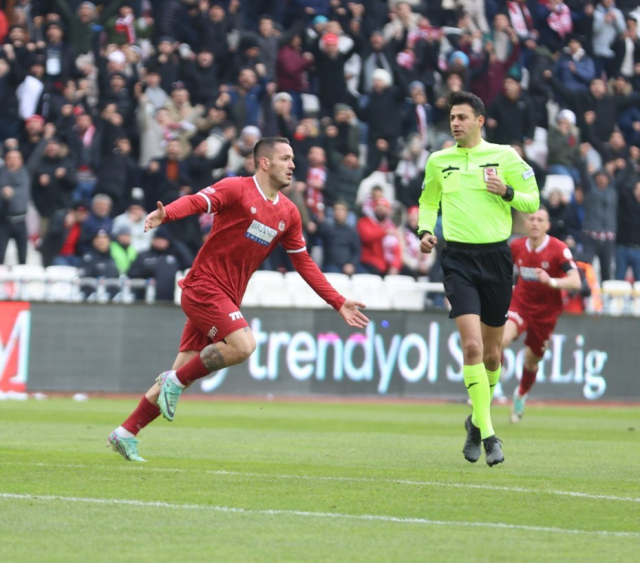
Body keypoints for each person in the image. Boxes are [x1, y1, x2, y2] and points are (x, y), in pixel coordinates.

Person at [108, 137, 369, 462]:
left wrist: (337, 300)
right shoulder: (236, 189)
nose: (293, 165)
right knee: (243, 345)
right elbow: (196, 201)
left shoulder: (288, 212)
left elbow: (303, 262)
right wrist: (167, 215)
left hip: (226, 296)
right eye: (286, 159)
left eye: (292, 160)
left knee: (183, 370)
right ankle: (172, 382)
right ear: (264, 162)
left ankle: (126, 431)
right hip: (204, 287)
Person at [418, 90, 539, 466]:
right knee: (471, 348)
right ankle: (489, 435)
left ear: (479, 121)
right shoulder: (439, 160)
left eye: (462, 117)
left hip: (497, 259)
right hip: (458, 260)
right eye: (452, 117)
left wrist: (507, 191)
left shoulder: (504, 156)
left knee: (492, 354)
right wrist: (424, 231)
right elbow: (428, 200)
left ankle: (474, 421)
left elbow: (532, 201)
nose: (455, 123)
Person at [502, 207, 581, 423]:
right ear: (526, 224)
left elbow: (576, 281)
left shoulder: (558, 249)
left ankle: (521, 394)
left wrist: (552, 281)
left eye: (540, 220)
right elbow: (502, 273)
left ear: (548, 225)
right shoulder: (516, 246)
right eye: (532, 219)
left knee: (531, 360)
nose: (535, 223)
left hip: (546, 312)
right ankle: (490, 387)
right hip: (520, 303)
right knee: (501, 340)